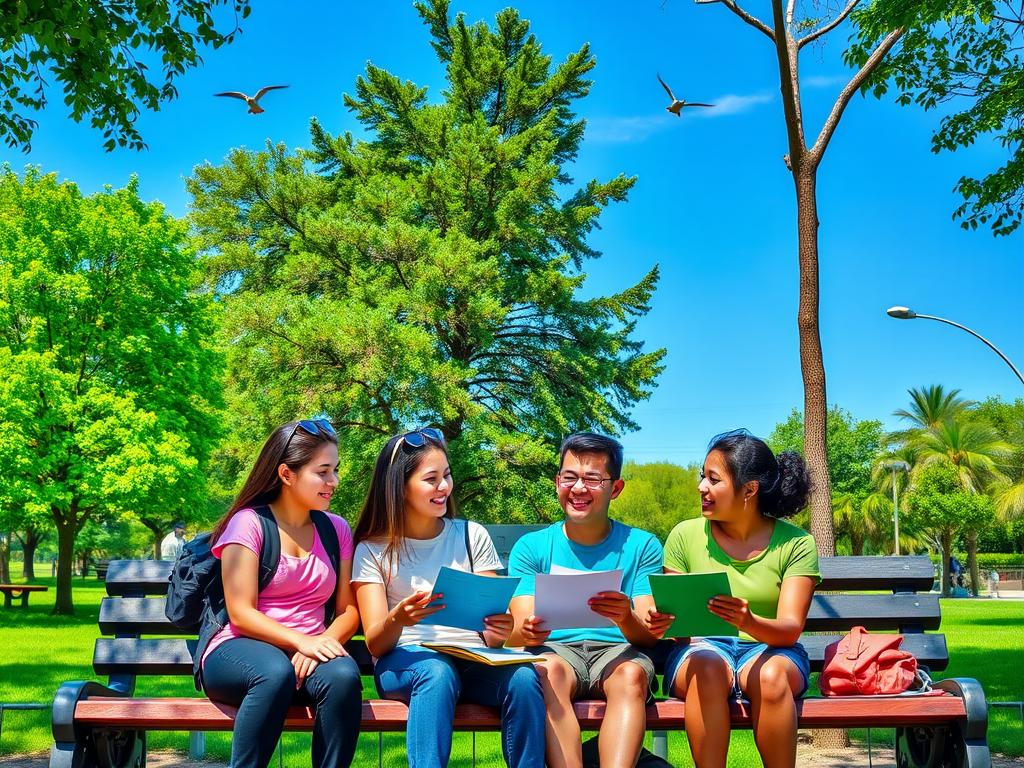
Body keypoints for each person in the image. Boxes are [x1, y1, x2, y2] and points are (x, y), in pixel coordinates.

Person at [351, 428, 545, 768]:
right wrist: (399, 618)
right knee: (437, 672)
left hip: (472, 657)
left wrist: (500, 629)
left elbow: (494, 634)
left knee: (525, 678)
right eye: (431, 479)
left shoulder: (472, 535)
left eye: (447, 475)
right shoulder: (373, 549)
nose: (444, 487)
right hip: (407, 663)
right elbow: (376, 645)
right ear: (400, 485)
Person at [646, 429, 819, 768]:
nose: (701, 487)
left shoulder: (797, 543)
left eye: (713, 479)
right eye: (702, 476)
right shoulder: (684, 535)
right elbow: (680, 630)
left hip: (772, 650)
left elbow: (789, 630)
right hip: (701, 650)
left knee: (771, 675)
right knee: (707, 666)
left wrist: (747, 621)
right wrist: (666, 622)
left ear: (749, 490)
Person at [201, 419, 362, 768]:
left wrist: (321, 644)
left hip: (310, 651)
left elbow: (349, 611)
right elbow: (241, 613)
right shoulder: (249, 524)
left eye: (335, 470)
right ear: (287, 474)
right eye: (323, 472)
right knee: (275, 672)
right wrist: (301, 642)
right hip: (239, 649)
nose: (333, 481)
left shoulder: (336, 529)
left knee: (344, 676)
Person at [508, 433, 664, 768]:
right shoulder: (531, 547)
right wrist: (531, 631)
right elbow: (519, 628)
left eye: (592, 479)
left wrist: (625, 617)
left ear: (615, 488)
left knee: (631, 677)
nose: (578, 488)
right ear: (557, 482)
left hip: (620, 653)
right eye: (570, 477)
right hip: (556, 652)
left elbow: (649, 635)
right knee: (543, 671)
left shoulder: (642, 545)